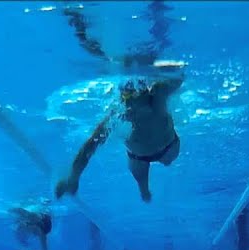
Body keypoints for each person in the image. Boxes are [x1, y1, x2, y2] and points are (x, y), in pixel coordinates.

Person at [55, 7, 185, 203]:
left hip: (167, 149)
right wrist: (73, 177)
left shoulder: (157, 96)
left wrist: (170, 73)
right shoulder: (118, 115)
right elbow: (88, 148)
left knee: (167, 162)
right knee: (141, 179)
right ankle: (144, 190)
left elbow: (178, 76)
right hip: (139, 157)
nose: (129, 100)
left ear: (143, 91)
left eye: (132, 95)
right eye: (126, 96)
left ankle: (158, 12)